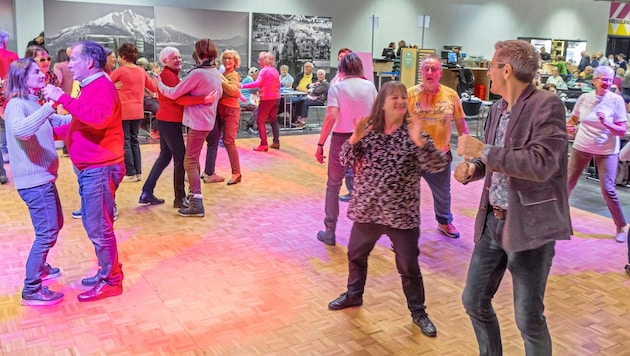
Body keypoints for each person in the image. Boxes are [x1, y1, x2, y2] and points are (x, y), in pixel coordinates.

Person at [455, 39, 572, 356]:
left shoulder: (547, 105)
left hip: (530, 229)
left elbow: (541, 165)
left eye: (492, 66)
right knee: (473, 300)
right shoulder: (496, 109)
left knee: (528, 318)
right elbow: (494, 162)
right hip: (492, 221)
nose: (488, 73)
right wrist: (475, 170)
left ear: (506, 70)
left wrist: (482, 151)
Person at [326, 81, 447, 338]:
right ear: (382, 102)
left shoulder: (416, 132)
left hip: (401, 215)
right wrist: (355, 137)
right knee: (356, 256)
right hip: (368, 210)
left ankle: (418, 312)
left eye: (404, 97)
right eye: (394, 97)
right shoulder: (369, 130)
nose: (401, 101)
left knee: (408, 267)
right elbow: (344, 159)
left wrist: (419, 141)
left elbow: (438, 165)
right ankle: (354, 295)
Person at [43, 40, 126, 302]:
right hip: (94, 166)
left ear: (89, 62)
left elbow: (98, 119)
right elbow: (83, 123)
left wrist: (62, 98)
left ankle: (112, 280)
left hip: (100, 168)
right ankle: (107, 272)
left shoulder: (101, 86)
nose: (69, 64)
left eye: (74, 59)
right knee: (97, 225)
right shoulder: (92, 86)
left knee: (99, 228)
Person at [4, 58, 72, 305]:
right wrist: (50, 105)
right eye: (35, 71)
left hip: (44, 178)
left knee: (55, 225)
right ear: (21, 77)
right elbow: (22, 131)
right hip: (34, 181)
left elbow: (61, 125)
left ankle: (40, 267)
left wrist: (82, 111)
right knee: (46, 232)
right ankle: (31, 289)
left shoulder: (34, 103)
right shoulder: (16, 105)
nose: (42, 74)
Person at [139, 46, 215, 207]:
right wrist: (203, 99)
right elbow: (179, 99)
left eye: (179, 57)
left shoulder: (170, 75)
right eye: (174, 57)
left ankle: (147, 191)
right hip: (169, 122)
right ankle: (179, 198)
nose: (178, 60)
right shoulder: (168, 75)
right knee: (180, 159)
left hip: (167, 121)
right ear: (165, 61)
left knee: (165, 157)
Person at [314, 53, 377, 246]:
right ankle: (365, 231)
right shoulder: (370, 87)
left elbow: (331, 116)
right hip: (365, 137)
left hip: (341, 138)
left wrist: (320, 143)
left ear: (341, 69)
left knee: (333, 184)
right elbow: (376, 115)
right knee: (363, 184)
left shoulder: (337, 88)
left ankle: (330, 231)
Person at [157, 38, 223, 217]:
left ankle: (196, 203)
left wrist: (158, 83)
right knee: (193, 159)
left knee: (190, 161)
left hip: (198, 123)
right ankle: (194, 198)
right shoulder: (214, 72)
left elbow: (173, 93)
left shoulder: (198, 74)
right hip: (207, 122)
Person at [407, 54, 469, 238]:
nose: (429, 72)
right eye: (426, 68)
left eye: (434, 69)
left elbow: (461, 124)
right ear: (421, 72)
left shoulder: (451, 95)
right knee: (407, 194)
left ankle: (444, 222)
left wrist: (467, 152)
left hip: (440, 155)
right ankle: (404, 231)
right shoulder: (409, 94)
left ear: (440, 73)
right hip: (412, 155)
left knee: (443, 193)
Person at [566, 65, 627, 243]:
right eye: (603, 79)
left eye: (610, 79)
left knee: (608, 190)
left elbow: (622, 131)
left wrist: (607, 123)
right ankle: (558, 222)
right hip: (581, 146)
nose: (607, 82)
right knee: (567, 185)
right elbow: (573, 119)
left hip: (607, 150)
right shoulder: (584, 98)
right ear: (594, 81)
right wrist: (569, 127)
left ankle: (620, 226)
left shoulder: (616, 101)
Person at [110, 43, 158, 183]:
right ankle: (138, 172)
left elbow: (105, 85)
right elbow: (153, 87)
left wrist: (114, 87)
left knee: (125, 141)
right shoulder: (141, 71)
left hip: (123, 112)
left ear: (123, 56)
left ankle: (130, 172)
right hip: (138, 111)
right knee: (134, 140)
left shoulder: (120, 71)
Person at [202, 49, 243, 186]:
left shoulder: (234, 75)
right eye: (225, 58)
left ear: (235, 61)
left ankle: (236, 173)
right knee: (213, 140)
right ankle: (209, 171)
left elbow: (233, 91)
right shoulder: (224, 74)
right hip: (219, 109)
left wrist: (219, 78)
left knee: (228, 142)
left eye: (230, 58)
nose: (227, 60)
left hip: (231, 110)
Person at [240, 51, 281, 151]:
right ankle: (276, 142)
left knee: (260, 121)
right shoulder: (275, 70)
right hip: (276, 98)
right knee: (273, 119)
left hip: (267, 99)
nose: (258, 61)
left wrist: (242, 85)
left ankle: (263, 144)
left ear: (264, 60)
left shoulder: (264, 71)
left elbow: (257, 83)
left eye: (260, 59)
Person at [0, 30, 19, 182]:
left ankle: (1, 172)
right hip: (10, 99)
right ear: (5, 42)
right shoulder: (13, 56)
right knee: (13, 130)